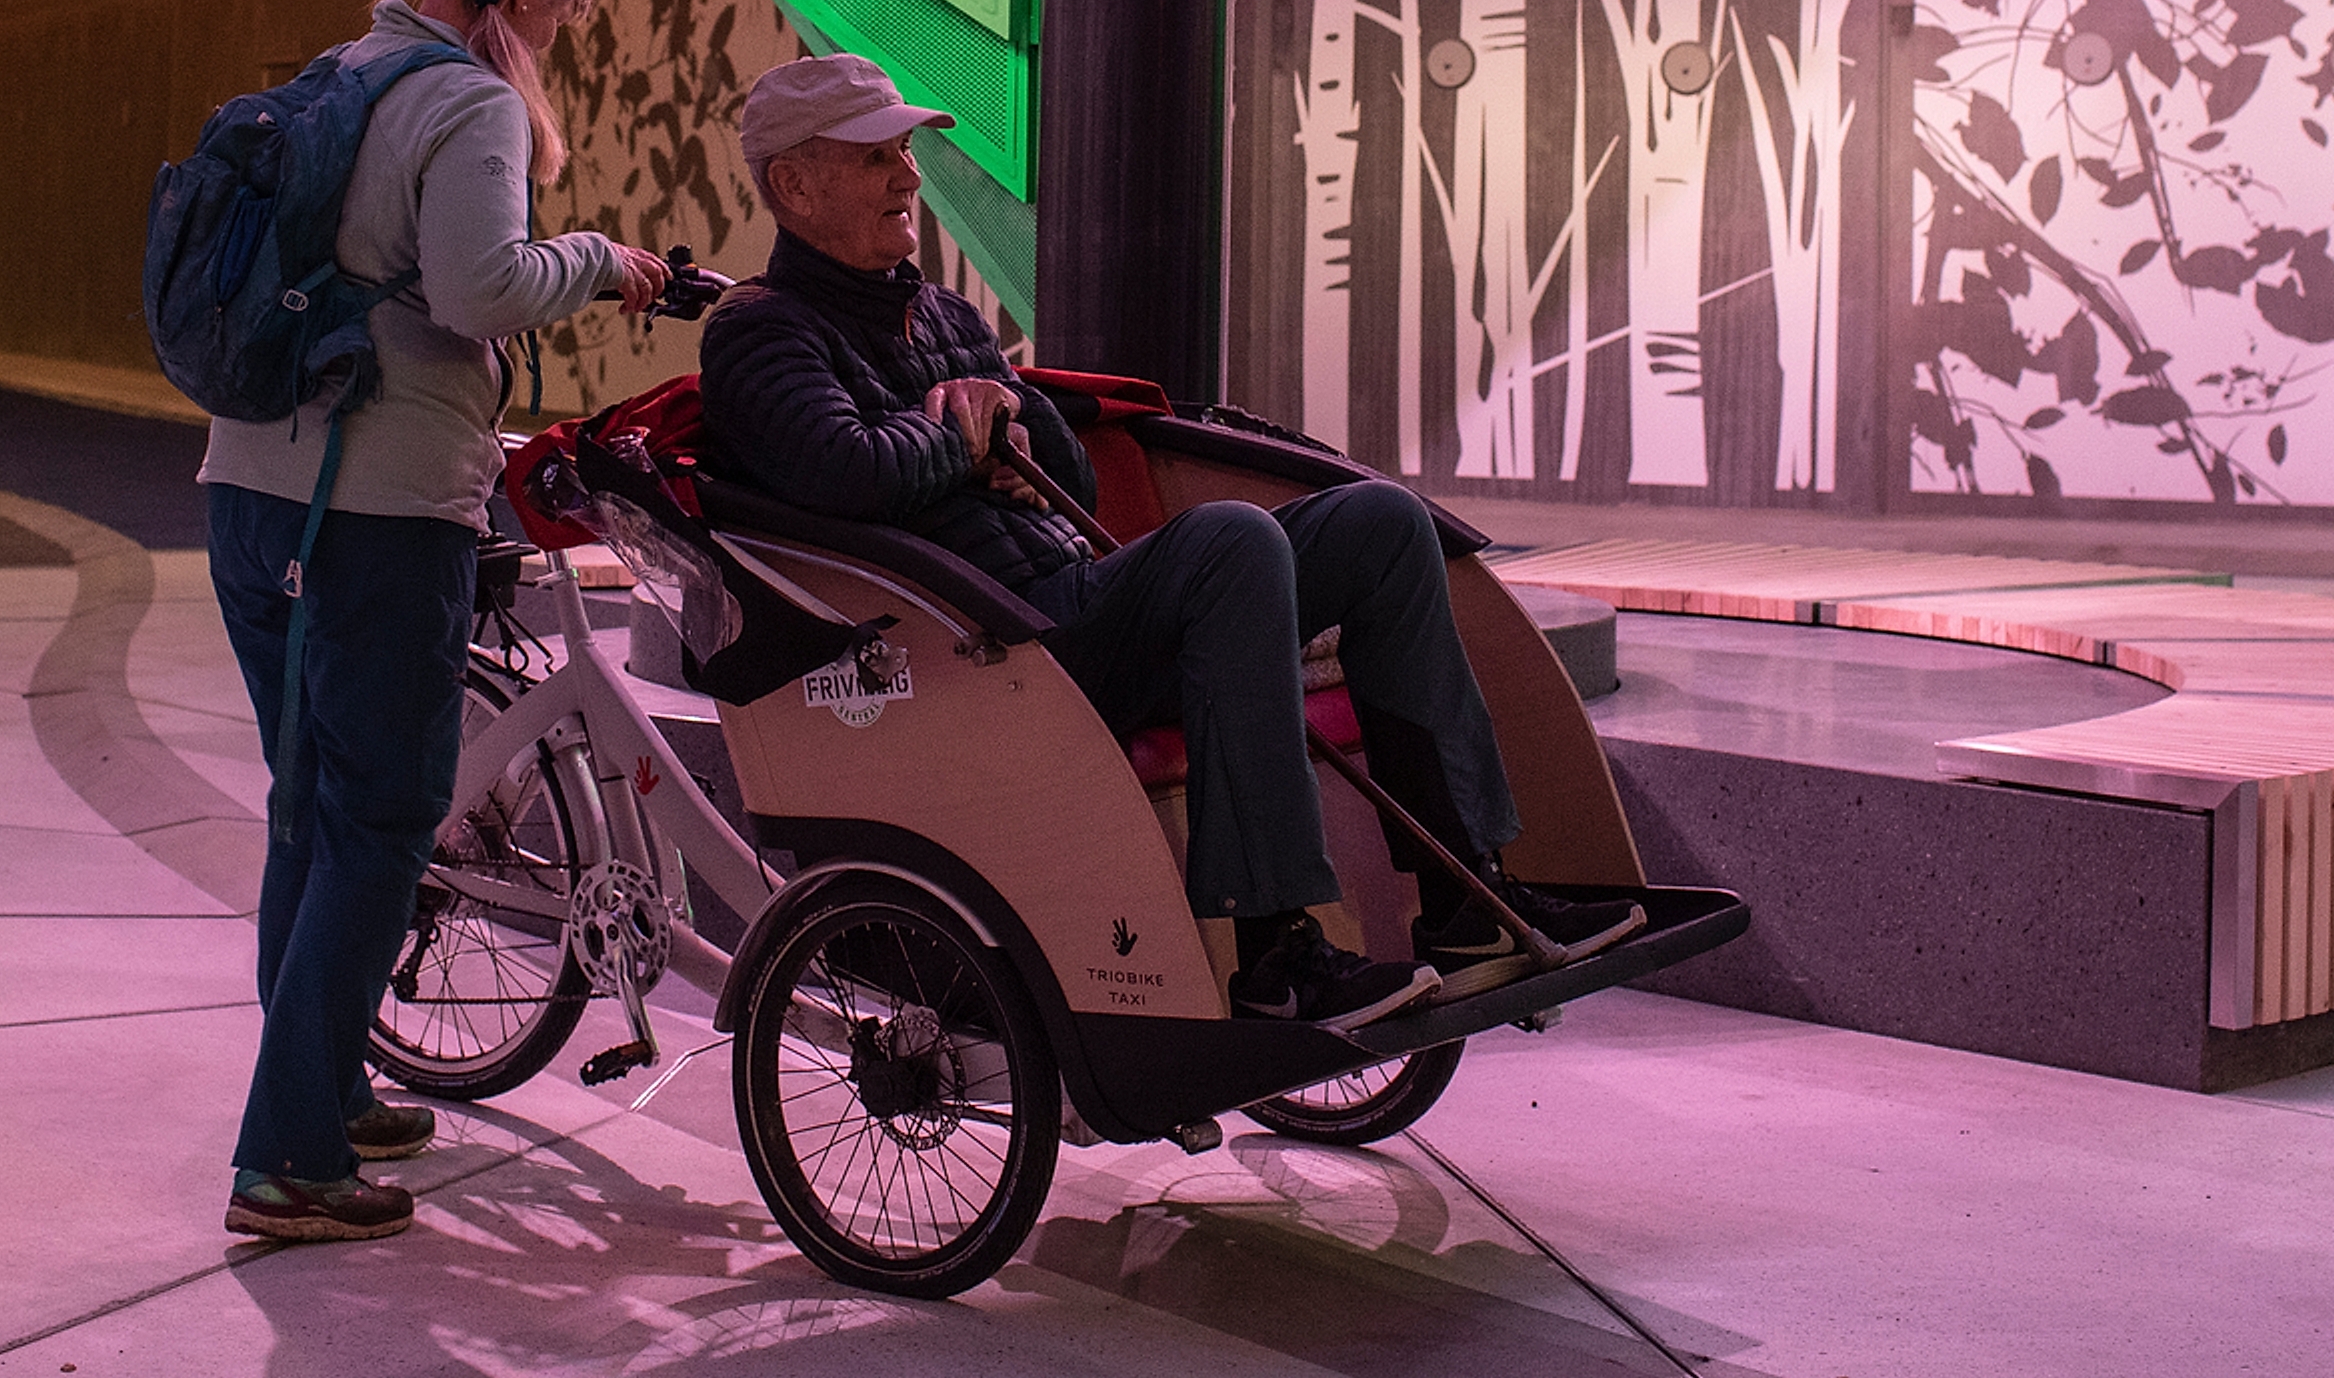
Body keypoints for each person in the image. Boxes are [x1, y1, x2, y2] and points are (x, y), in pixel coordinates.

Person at [699, 54, 1643, 1033]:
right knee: (1230, 542)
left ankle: (1469, 903)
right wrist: (957, 437)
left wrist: (1013, 420)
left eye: (904, 151)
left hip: (1072, 599)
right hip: (986, 651)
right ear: (795, 187)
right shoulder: (761, 334)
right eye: (875, 158)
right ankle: (1279, 956)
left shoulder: (938, 311)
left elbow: (1069, 471)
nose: (909, 176)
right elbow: (839, 471)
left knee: (1381, 521)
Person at [198, 0, 670, 1246]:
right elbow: (477, 287)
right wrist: (595, 255)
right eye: (564, 13)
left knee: (315, 805)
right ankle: (287, 1156)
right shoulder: (468, 100)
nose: (557, 40)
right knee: (388, 813)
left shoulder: (345, 72)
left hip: (250, 487)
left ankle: (328, 1085)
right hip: (378, 506)